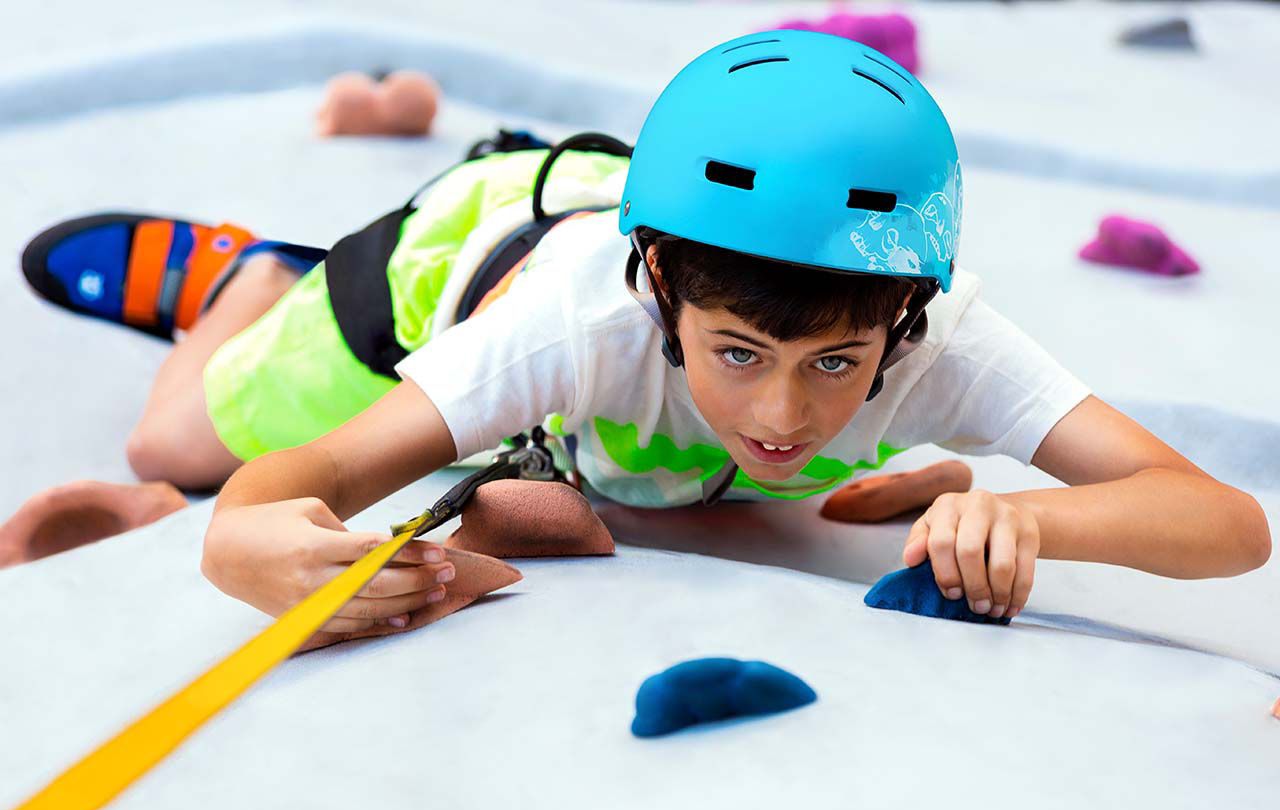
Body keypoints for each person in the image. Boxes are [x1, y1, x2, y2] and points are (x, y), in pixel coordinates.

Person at [14, 31, 1270, 652]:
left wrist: (1040, 519)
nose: (782, 412)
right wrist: (236, 541)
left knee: (718, 484)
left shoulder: (935, 324)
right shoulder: (573, 315)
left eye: (837, 362)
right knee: (168, 440)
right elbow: (283, 489)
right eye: (736, 353)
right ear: (660, 286)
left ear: (905, 313)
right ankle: (246, 277)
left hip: (658, 233)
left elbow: (1225, 522)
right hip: (462, 254)